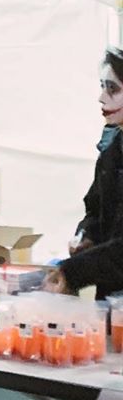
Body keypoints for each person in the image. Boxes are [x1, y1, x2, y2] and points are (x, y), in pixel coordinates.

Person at [48, 48, 123, 297]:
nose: (102, 98)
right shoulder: (112, 151)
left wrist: (72, 272)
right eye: (103, 87)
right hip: (113, 299)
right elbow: (95, 209)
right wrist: (86, 235)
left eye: (113, 89)